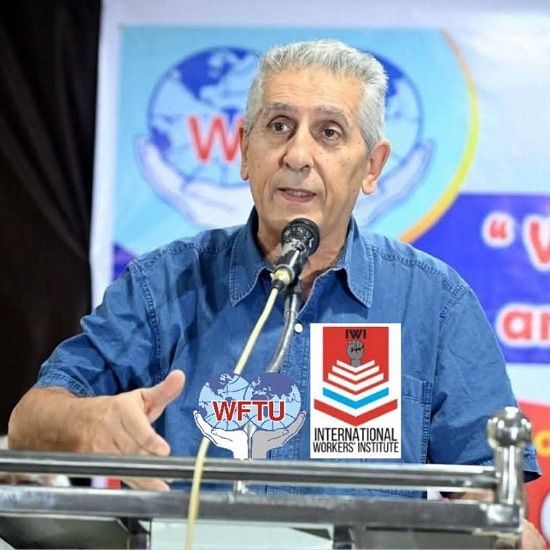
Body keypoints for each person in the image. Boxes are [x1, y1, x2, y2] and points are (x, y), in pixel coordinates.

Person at [7, 39, 544, 546]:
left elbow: (490, 495)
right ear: (245, 150)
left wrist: (506, 533)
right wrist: (92, 423)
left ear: (372, 166)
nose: (297, 154)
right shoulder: (164, 284)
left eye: (329, 132)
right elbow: (29, 422)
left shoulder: (433, 301)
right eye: (279, 126)